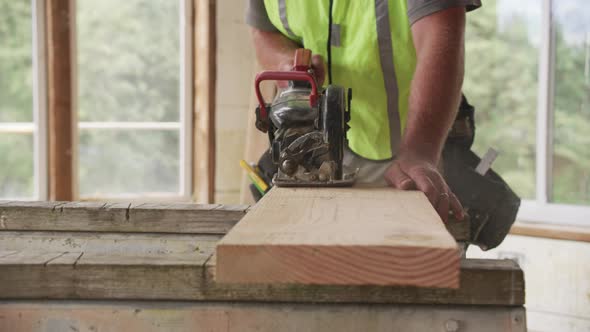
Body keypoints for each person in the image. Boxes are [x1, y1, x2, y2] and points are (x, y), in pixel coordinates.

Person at [246, 0, 481, 223]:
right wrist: (286, 64)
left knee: (412, 253)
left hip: (414, 145)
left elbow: (440, 34)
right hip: (320, 145)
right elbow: (264, 31)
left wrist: (421, 151)